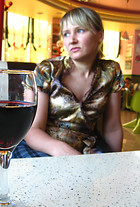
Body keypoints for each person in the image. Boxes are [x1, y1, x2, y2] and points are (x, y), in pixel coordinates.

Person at [12, 7, 124, 158]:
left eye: (80, 30)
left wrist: (116, 162)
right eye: (66, 34)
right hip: (41, 147)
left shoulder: (111, 71)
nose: (72, 40)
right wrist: (60, 149)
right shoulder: (47, 69)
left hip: (85, 150)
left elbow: (112, 128)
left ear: (100, 35)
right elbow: (32, 129)